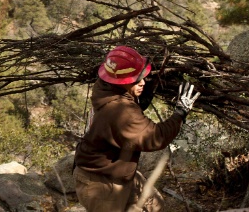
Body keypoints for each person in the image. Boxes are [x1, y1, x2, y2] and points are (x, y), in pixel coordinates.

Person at [73, 46, 200, 211]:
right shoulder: (120, 110)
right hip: (100, 184)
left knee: (155, 205)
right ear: (121, 82)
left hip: (115, 173)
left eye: (142, 77)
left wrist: (138, 102)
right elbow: (156, 137)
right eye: (136, 80)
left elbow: (124, 111)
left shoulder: (104, 87)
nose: (142, 83)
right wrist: (180, 113)